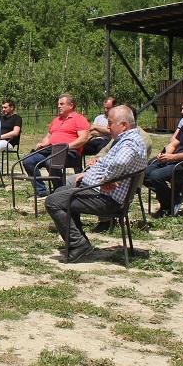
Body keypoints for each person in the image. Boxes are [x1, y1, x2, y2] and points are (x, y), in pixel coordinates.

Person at [44, 105, 148, 262]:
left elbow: (119, 163)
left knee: (53, 202)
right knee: (62, 192)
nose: (107, 127)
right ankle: (80, 242)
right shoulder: (126, 139)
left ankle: (78, 245)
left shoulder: (130, 143)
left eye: (110, 123)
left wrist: (105, 179)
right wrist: (89, 174)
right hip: (101, 192)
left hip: (107, 199)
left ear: (124, 125)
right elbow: (110, 162)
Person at [21, 94, 90, 198]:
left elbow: (83, 138)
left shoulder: (79, 119)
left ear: (71, 105)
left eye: (61, 104)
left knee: (52, 162)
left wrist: (66, 146)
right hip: (50, 150)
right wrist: (43, 143)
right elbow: (49, 137)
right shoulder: (56, 120)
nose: (58, 106)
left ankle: (59, 191)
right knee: (28, 161)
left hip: (70, 152)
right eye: (58, 104)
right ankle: (41, 191)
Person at [0, 99, 23, 173]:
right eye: (2, 107)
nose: (3, 109)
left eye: (5, 107)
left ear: (12, 107)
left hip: (9, 143)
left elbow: (15, 133)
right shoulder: (0, 118)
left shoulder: (17, 118)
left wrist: (0, 137)